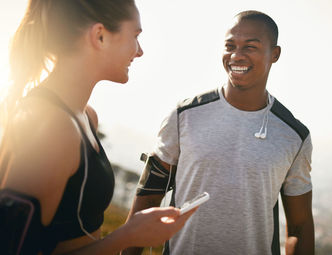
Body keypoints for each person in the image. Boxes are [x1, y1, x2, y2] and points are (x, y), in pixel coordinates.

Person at [0, 0, 196, 254]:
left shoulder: (86, 117)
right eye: (135, 36)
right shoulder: (51, 127)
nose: (140, 51)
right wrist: (128, 235)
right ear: (100, 36)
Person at [124, 10, 315, 255]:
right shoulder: (184, 115)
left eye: (250, 46)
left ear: (274, 54)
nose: (236, 55)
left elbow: (299, 226)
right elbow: (148, 199)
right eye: (230, 45)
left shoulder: (294, 135)